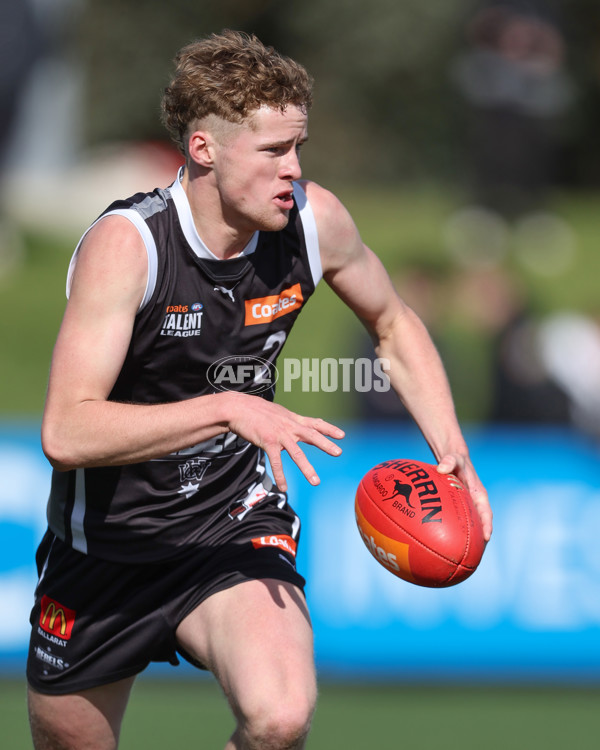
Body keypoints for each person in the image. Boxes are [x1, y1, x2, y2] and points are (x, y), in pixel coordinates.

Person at [27, 30, 492, 750]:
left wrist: (452, 454)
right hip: (105, 549)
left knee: (280, 718)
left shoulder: (314, 221)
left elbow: (395, 324)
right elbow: (66, 432)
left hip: (230, 526)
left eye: (298, 146)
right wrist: (227, 407)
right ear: (205, 150)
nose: (294, 170)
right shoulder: (130, 245)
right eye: (274, 151)